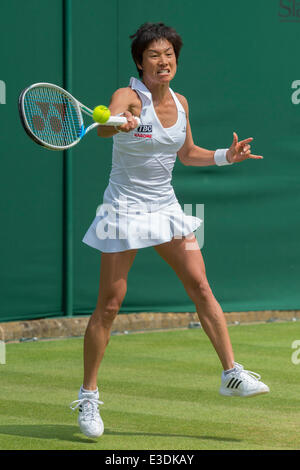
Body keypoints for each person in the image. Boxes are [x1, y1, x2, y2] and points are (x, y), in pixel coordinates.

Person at [70, 22, 269, 438]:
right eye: (155, 55)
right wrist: (118, 123)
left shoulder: (181, 102)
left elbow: (187, 153)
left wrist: (225, 157)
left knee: (200, 286)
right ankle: (88, 397)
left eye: (169, 54)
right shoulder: (127, 96)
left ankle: (231, 373)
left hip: (165, 207)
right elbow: (106, 125)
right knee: (109, 304)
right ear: (140, 62)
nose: (164, 61)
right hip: (124, 208)